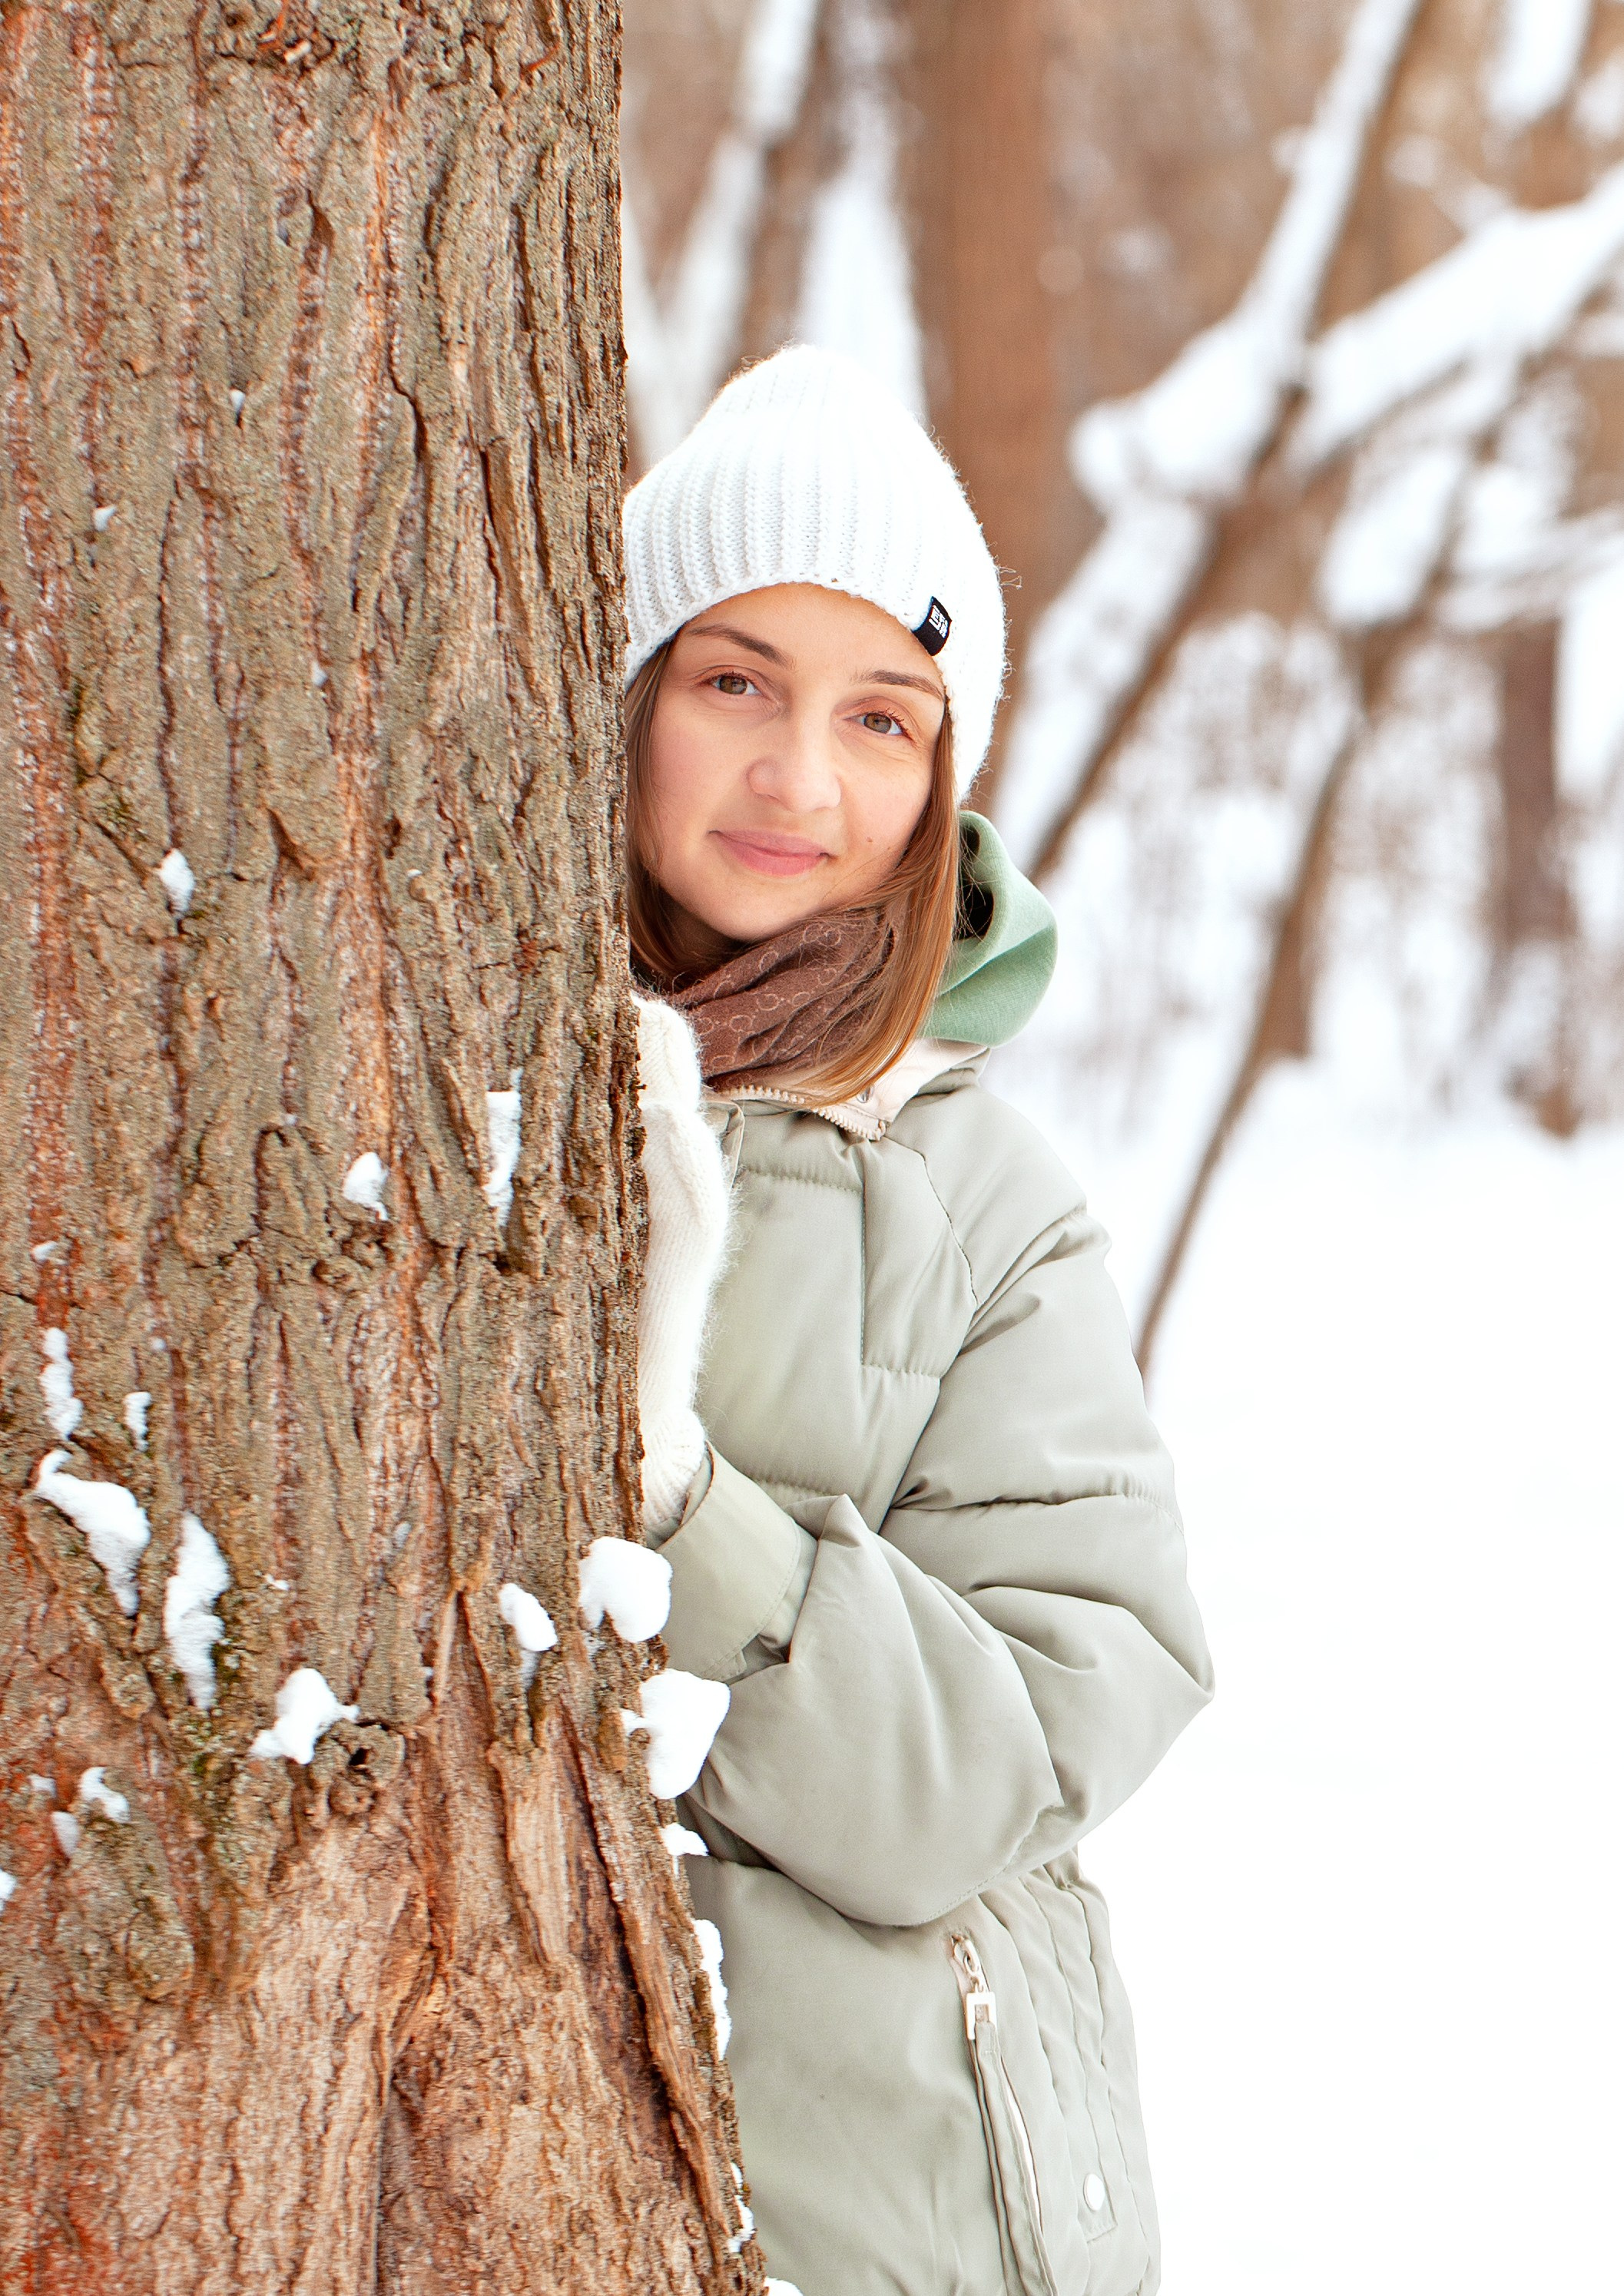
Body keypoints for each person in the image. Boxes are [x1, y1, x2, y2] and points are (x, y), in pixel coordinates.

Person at [622, 345, 1212, 2296]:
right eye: (735, 683)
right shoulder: (467, 1075)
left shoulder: (984, 1204)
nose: (805, 778)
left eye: (884, 716)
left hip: (905, 2216)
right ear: (620, 698)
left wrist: (682, 1511)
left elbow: (1031, 1736)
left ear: (944, 775)